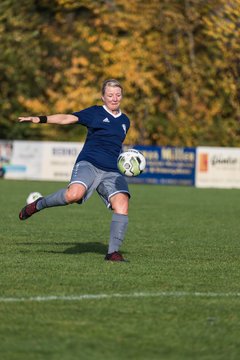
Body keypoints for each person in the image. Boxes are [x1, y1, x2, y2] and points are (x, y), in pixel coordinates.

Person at [18, 79, 131, 262]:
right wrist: (40, 119)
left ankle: (112, 253)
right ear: (103, 97)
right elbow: (66, 118)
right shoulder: (94, 112)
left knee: (122, 205)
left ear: (122, 96)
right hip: (89, 163)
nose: (114, 98)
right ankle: (39, 204)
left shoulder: (125, 121)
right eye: (110, 95)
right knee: (73, 195)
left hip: (111, 171)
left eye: (118, 94)